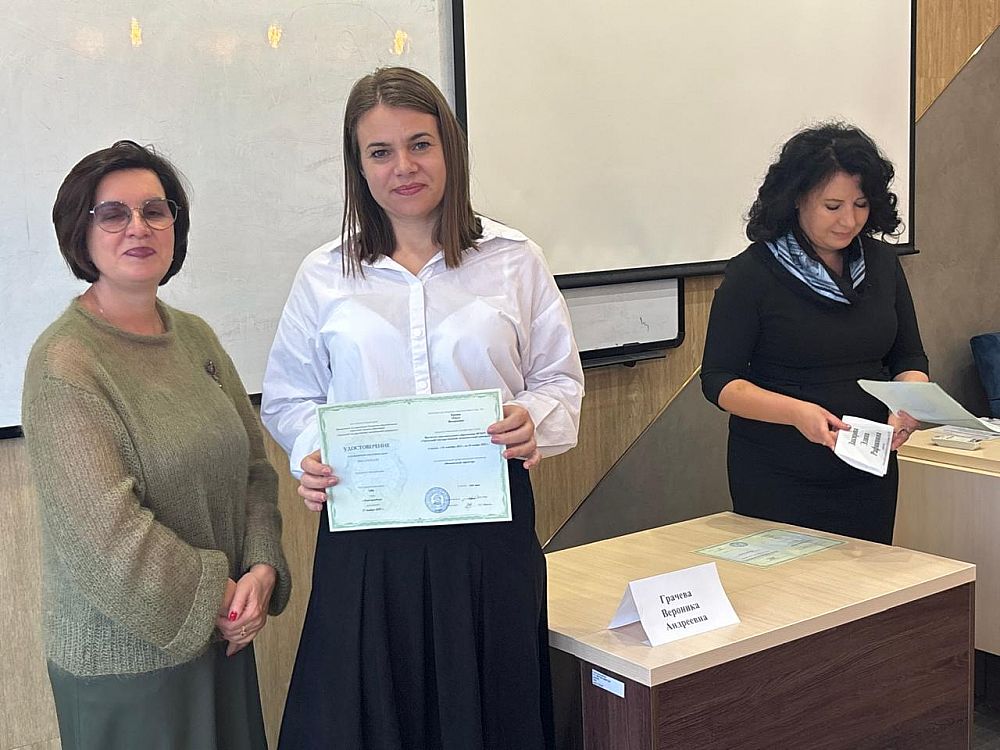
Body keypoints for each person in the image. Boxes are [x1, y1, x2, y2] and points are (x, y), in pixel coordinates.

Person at [261, 66, 584, 750]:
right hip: (366, 534)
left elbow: (559, 380)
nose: (403, 167)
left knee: (488, 711)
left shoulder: (513, 259)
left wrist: (533, 420)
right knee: (368, 715)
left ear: (449, 150)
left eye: (420, 144)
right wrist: (311, 452)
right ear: (359, 166)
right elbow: (289, 397)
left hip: (487, 533)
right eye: (380, 152)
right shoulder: (324, 274)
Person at [21, 141, 291, 749]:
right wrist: (221, 597)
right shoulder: (65, 362)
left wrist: (262, 567)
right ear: (80, 233)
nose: (138, 227)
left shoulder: (194, 337)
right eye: (113, 214)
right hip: (128, 667)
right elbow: (106, 537)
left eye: (155, 210)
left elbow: (252, 468)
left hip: (223, 638)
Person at [701, 123, 929, 544]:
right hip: (780, 471)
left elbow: (908, 357)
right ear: (797, 198)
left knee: (871, 581)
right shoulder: (754, 272)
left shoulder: (881, 263)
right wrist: (797, 412)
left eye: (861, 204)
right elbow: (719, 381)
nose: (849, 220)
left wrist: (910, 401)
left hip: (868, 467)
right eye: (832, 206)